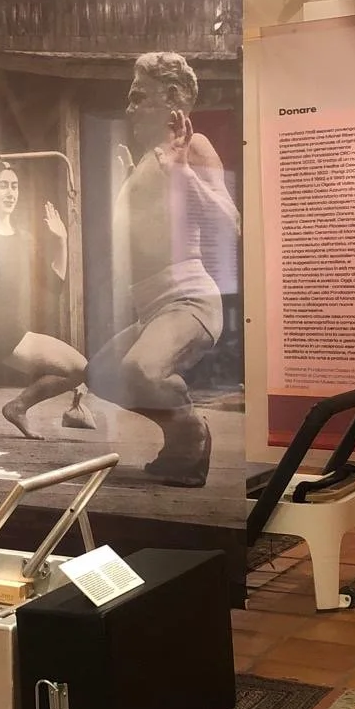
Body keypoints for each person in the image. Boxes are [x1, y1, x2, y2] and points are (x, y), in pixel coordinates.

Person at [84, 51, 240, 487]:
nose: (129, 108)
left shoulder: (193, 147)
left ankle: (191, 429)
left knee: (140, 370)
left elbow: (231, 224)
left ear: (170, 98)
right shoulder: (146, 158)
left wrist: (183, 173)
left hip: (189, 301)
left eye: (139, 97)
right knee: (101, 375)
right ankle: (179, 442)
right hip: (152, 308)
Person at [0, 162, 86, 439]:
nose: (10, 192)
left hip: (16, 336)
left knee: (81, 369)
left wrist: (62, 240)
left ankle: (18, 407)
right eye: (2, 185)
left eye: (14, 186)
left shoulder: (25, 239)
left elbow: (54, 286)